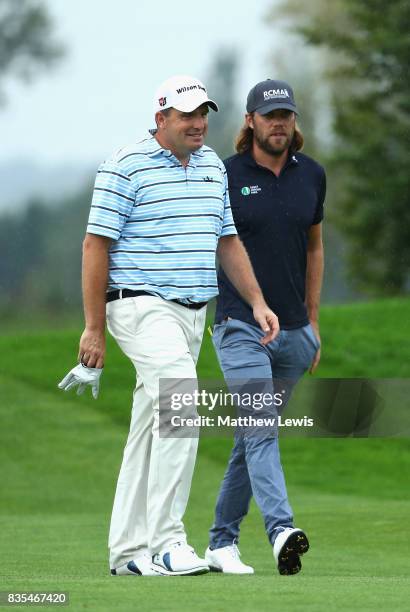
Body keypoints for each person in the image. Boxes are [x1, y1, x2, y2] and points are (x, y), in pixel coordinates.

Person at [58, 75, 279, 577]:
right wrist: (93, 329)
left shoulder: (209, 168)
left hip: (192, 314)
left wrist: (257, 301)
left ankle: (128, 553)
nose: (199, 123)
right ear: (161, 119)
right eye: (187, 115)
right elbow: (96, 246)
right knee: (181, 402)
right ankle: (167, 542)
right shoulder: (124, 165)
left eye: (204, 114)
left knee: (149, 428)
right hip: (138, 306)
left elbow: (226, 239)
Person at [205, 79, 325, 575]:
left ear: (294, 121)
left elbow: (315, 247)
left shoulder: (312, 175)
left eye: (286, 115)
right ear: (250, 120)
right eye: (269, 115)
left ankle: (220, 542)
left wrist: (313, 323)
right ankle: (281, 531)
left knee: (252, 437)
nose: (279, 123)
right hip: (239, 325)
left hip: (294, 334)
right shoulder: (224, 174)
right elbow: (213, 242)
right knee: (260, 427)